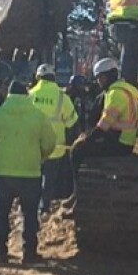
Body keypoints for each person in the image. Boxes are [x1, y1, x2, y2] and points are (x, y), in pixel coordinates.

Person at [0, 81, 56, 265]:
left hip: (3, 172)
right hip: (30, 172)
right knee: (30, 215)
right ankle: (29, 253)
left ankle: (0, 252)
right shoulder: (39, 116)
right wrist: (41, 156)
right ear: (26, 95)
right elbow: (49, 143)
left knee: (1, 213)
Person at [68, 57, 138, 203]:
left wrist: (84, 138)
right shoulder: (130, 90)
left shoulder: (115, 94)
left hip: (120, 143)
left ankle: (77, 195)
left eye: (101, 78)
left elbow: (102, 127)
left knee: (76, 151)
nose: (99, 82)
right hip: (127, 138)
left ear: (110, 75)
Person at [28, 64, 79, 215]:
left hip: (32, 145)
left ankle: (31, 204)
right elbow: (71, 122)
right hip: (55, 148)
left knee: (33, 177)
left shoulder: (29, 95)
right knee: (49, 180)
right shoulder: (62, 97)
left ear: (38, 77)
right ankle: (44, 207)